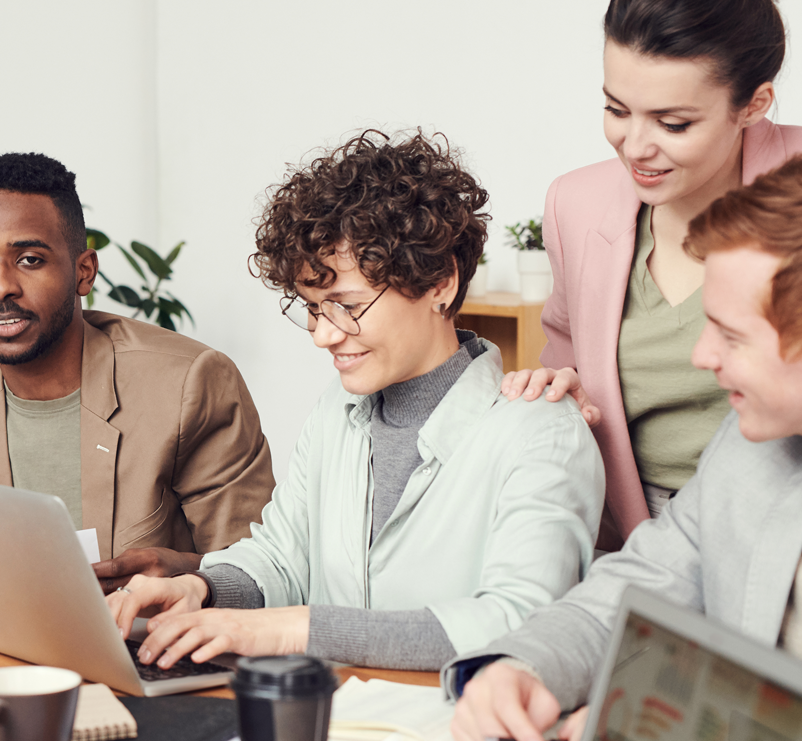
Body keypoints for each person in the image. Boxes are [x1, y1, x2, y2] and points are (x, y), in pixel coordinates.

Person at [106, 129, 605, 673]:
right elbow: (281, 556)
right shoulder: (335, 413)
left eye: (347, 305)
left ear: (439, 281)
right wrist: (202, 589)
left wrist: (295, 629)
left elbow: (517, 621)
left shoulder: (542, 432)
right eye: (315, 308)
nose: (324, 335)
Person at [447, 155, 802, 740]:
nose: (702, 357)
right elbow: (639, 586)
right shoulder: (744, 449)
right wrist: (524, 668)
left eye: (733, 336)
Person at [503, 0, 802, 548]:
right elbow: (566, 355)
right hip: (631, 534)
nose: (635, 147)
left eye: (673, 123)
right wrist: (564, 389)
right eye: (617, 110)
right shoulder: (576, 204)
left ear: (754, 104)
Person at [0, 152, 275, 592]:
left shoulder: (188, 383)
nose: (3, 286)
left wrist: (188, 574)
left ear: (83, 272)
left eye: (30, 259)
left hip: (149, 652)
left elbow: (271, 571)